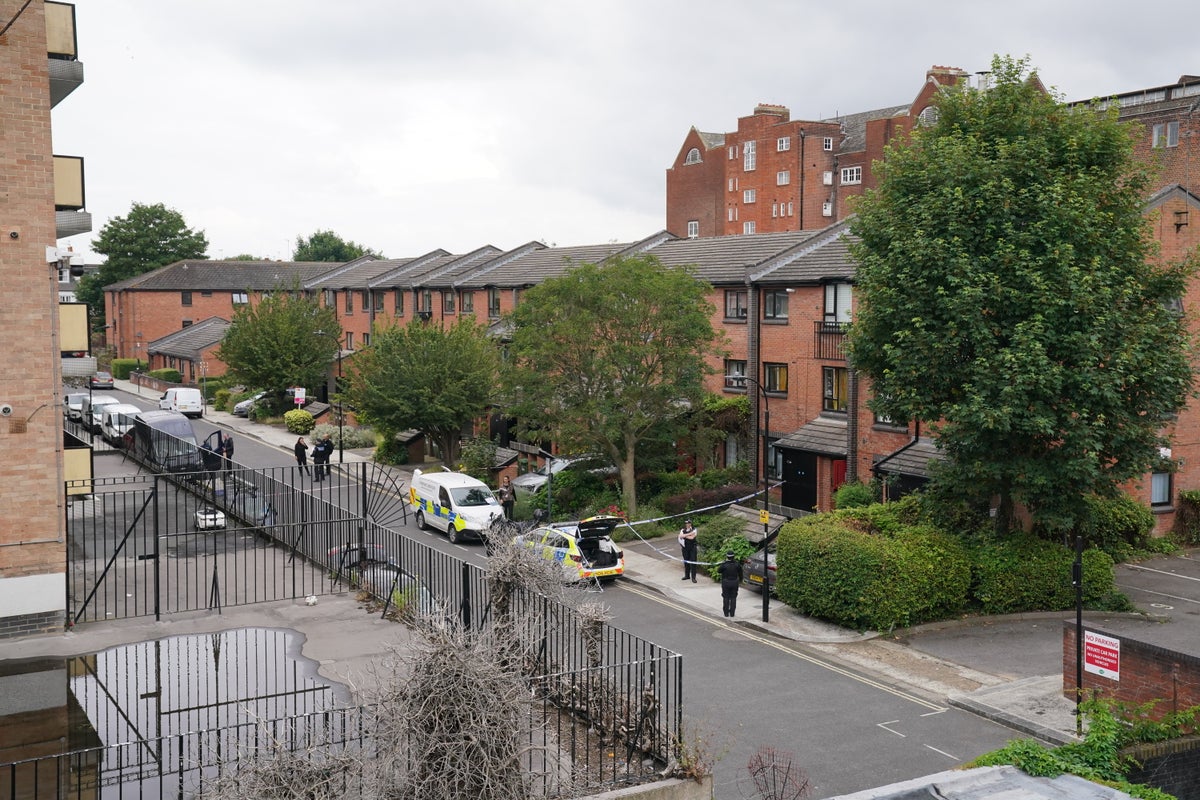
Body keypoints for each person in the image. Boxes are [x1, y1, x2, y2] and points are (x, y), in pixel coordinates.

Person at [716, 551, 743, 617]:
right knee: (733, 597)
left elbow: (719, 571)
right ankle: (732, 613)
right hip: (734, 582)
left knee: (726, 597)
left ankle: (726, 613)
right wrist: (740, 580)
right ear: (734, 557)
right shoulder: (737, 564)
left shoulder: (724, 565)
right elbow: (740, 573)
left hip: (726, 582)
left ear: (727, 556)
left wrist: (723, 563)